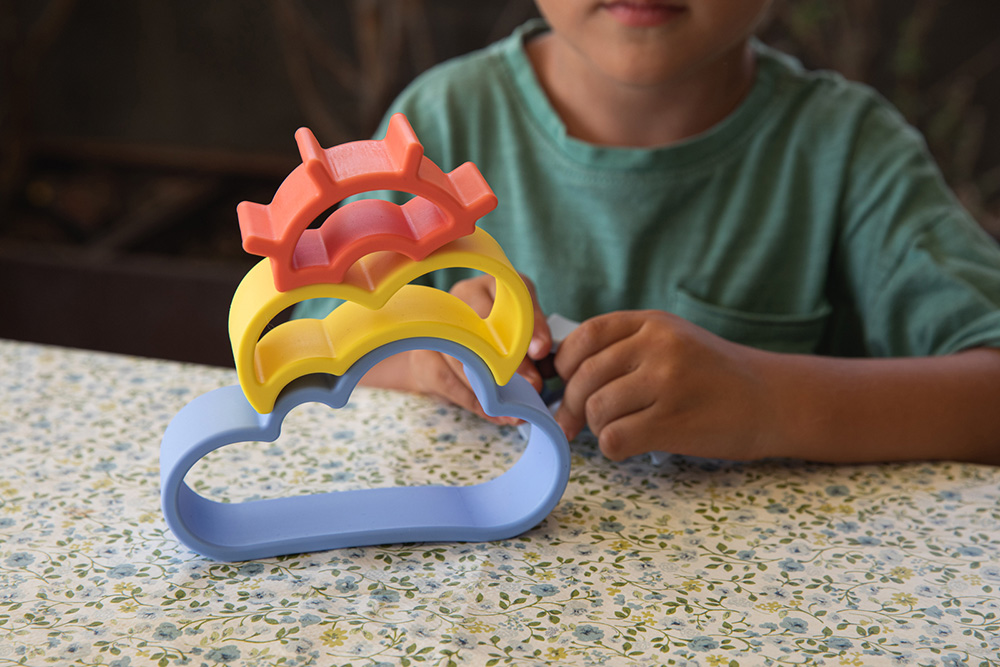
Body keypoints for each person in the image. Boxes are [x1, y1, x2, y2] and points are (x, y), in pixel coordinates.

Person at [294, 0, 1000, 464]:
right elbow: (308, 353)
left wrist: (768, 400)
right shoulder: (440, 121)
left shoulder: (848, 151)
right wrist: (423, 354)